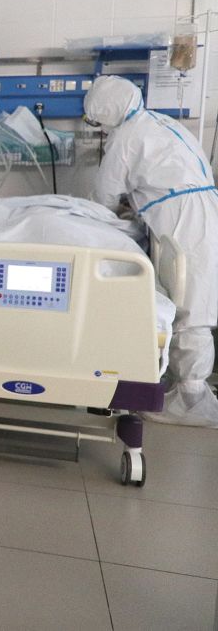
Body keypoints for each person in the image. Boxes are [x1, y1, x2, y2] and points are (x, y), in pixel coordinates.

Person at [85, 74, 218, 428]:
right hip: (196, 212)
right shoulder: (158, 122)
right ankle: (188, 389)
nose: (99, 128)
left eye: (98, 120)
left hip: (181, 221)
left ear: (107, 112)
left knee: (191, 305)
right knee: (192, 298)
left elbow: (104, 195)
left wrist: (98, 215)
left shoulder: (125, 138)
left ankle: (193, 399)